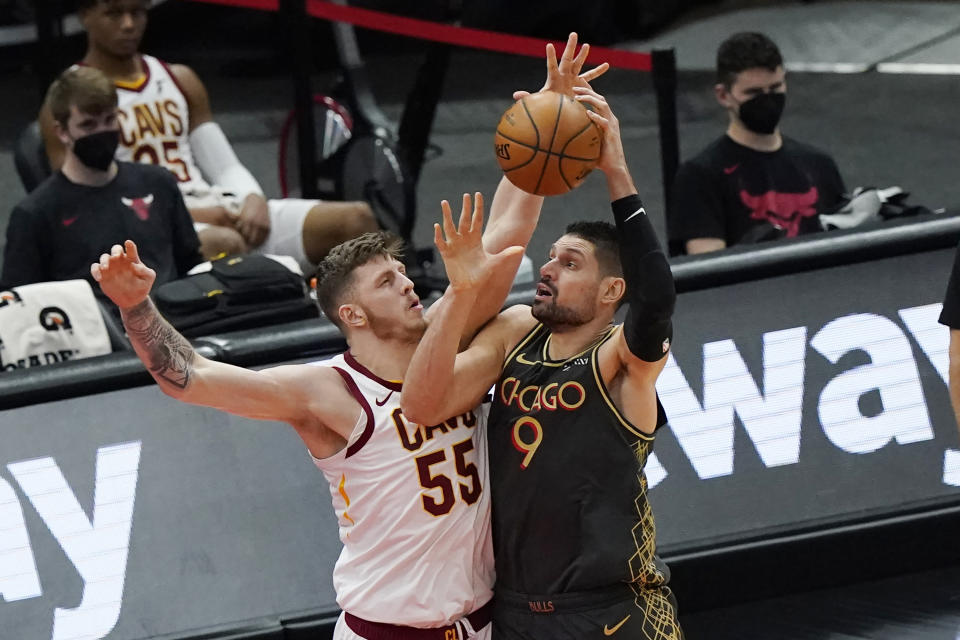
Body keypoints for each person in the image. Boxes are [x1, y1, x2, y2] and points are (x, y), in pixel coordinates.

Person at [90, 33, 608, 640]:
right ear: (353, 315)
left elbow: (506, 234)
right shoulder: (329, 393)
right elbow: (191, 379)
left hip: (479, 626)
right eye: (388, 282)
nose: (411, 284)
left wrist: (546, 119)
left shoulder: (445, 337)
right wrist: (135, 305)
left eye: (404, 272)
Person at [400, 86, 683, 639]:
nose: (548, 269)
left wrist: (615, 171)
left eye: (570, 263)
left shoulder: (622, 363)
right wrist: (549, 109)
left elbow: (657, 297)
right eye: (550, 257)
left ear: (611, 291)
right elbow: (424, 403)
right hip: (515, 611)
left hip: (613, 611)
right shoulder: (514, 332)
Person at [40, 0, 378, 269]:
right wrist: (190, 215)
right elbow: (82, 200)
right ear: (85, 15)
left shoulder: (179, 79)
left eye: (137, 12)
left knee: (355, 220)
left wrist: (252, 199)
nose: (129, 24)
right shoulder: (67, 100)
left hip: (217, 207)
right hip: (150, 228)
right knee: (224, 243)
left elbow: (224, 165)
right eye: (114, 13)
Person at [2, 65, 201, 312]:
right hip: (100, 339)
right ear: (62, 132)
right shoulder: (35, 214)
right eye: (88, 125)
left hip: (174, 323)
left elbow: (192, 264)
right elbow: (18, 306)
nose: (102, 132)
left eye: (109, 120)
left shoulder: (159, 184)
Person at [668, 32, 846, 256]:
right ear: (723, 95)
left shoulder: (820, 165)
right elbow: (707, 268)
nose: (767, 100)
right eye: (753, 93)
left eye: (775, 88)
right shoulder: (700, 176)